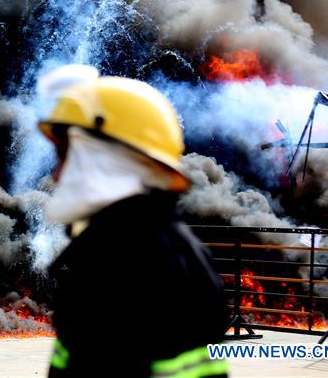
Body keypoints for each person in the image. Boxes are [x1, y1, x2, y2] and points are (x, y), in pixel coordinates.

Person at [38, 65, 228, 378]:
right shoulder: (117, 250)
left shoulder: (143, 263)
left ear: (108, 161)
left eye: (64, 156)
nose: (56, 175)